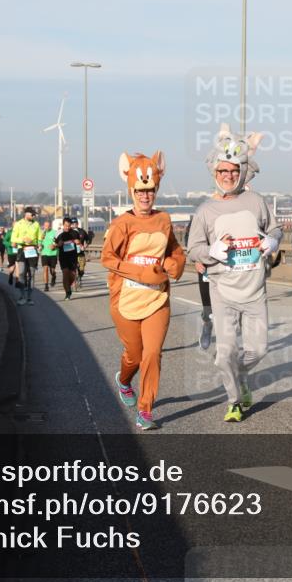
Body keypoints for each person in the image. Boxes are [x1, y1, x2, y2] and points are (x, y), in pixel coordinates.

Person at [187, 123, 281, 423]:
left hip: (254, 290)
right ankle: (234, 401)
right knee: (223, 353)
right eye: (222, 171)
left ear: (241, 172)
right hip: (222, 292)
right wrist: (210, 252)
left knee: (259, 350)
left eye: (232, 171)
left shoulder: (256, 201)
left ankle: (240, 376)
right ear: (214, 173)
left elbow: (275, 228)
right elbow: (194, 249)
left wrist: (273, 240)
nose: (228, 176)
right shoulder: (205, 210)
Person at [102, 151, 185, 430]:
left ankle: (145, 409)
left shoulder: (164, 219)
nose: (145, 196)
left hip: (157, 298)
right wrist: (140, 272)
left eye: (149, 190)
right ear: (131, 191)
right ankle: (124, 381)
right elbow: (107, 258)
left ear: (156, 189)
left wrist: (175, 264)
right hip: (125, 298)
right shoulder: (121, 224)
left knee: (152, 353)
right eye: (140, 191)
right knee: (134, 356)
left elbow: (174, 250)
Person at [186, 215, 215, 350]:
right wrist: (197, 260)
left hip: (230, 266)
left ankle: (225, 348)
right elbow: (190, 239)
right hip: (206, 266)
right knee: (209, 307)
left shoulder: (236, 210)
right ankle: (207, 323)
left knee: (231, 307)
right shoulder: (203, 212)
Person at [10, 207, 43, 306]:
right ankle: (22, 296)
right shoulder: (18, 224)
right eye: (32, 214)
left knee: (32, 274)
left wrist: (40, 244)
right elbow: (13, 238)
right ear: (26, 214)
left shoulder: (36, 224)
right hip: (22, 250)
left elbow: (39, 236)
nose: (34, 216)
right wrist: (23, 240)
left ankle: (29, 297)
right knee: (21, 273)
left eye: (34, 214)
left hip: (32, 250)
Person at [53, 217, 82, 300]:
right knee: (65, 273)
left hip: (73, 257)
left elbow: (79, 242)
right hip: (63, 257)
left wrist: (78, 242)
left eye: (69, 226)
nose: (67, 227)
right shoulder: (58, 233)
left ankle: (68, 286)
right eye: (66, 226)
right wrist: (58, 245)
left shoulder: (75, 233)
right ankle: (68, 293)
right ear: (63, 225)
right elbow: (54, 245)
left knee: (72, 275)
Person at [39, 218, 59, 291]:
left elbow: (58, 241)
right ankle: (46, 285)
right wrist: (40, 246)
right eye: (45, 226)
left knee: (52, 270)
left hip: (53, 254)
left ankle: (54, 276)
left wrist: (54, 245)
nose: (46, 227)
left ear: (50, 226)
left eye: (48, 226)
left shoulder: (55, 232)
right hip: (44, 253)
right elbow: (39, 242)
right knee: (45, 269)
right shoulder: (42, 233)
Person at [71, 218, 89, 290]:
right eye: (72, 223)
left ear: (77, 224)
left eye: (75, 223)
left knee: (81, 269)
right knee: (73, 269)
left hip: (81, 253)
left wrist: (85, 245)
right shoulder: (69, 232)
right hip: (72, 253)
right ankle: (74, 282)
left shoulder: (82, 231)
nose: (74, 224)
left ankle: (79, 277)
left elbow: (87, 239)